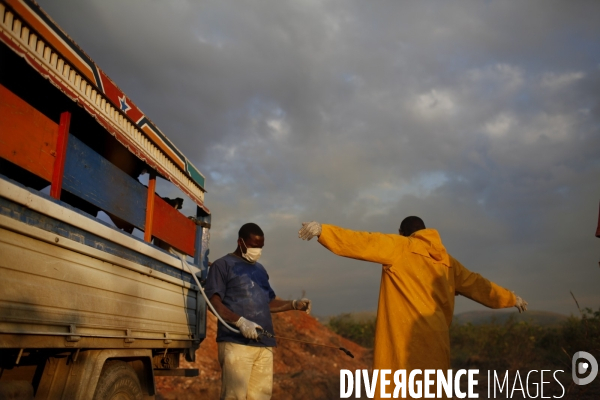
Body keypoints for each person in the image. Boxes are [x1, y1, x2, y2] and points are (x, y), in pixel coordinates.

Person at [298, 216, 527, 399]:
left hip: (404, 338)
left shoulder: (401, 247)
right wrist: (510, 298)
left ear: (401, 232)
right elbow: (479, 285)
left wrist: (324, 231)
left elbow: (363, 241)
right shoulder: (448, 262)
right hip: (437, 339)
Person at [205, 222, 311, 400]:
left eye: (260, 247)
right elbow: (213, 302)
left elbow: (268, 302)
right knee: (235, 396)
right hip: (236, 343)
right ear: (241, 242)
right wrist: (240, 322)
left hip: (264, 344)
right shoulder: (222, 265)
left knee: (261, 396)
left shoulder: (260, 270)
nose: (258, 251)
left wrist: (294, 304)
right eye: (254, 246)